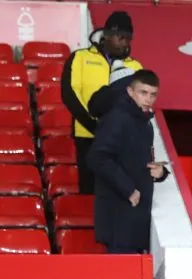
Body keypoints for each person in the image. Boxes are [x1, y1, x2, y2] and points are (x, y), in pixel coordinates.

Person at [87, 69, 169, 254]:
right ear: (130, 92)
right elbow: (97, 157)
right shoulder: (117, 118)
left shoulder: (144, 123)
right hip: (120, 214)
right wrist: (128, 189)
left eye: (153, 94)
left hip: (132, 216)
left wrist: (160, 172)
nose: (148, 98)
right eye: (143, 92)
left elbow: (134, 161)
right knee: (121, 275)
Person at [61, 11, 142, 195]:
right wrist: (95, 127)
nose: (124, 43)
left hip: (120, 143)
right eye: (120, 37)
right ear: (106, 35)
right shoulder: (80, 58)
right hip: (87, 138)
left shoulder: (135, 67)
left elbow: (139, 105)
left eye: (128, 39)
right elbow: (69, 95)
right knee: (89, 194)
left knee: (115, 194)